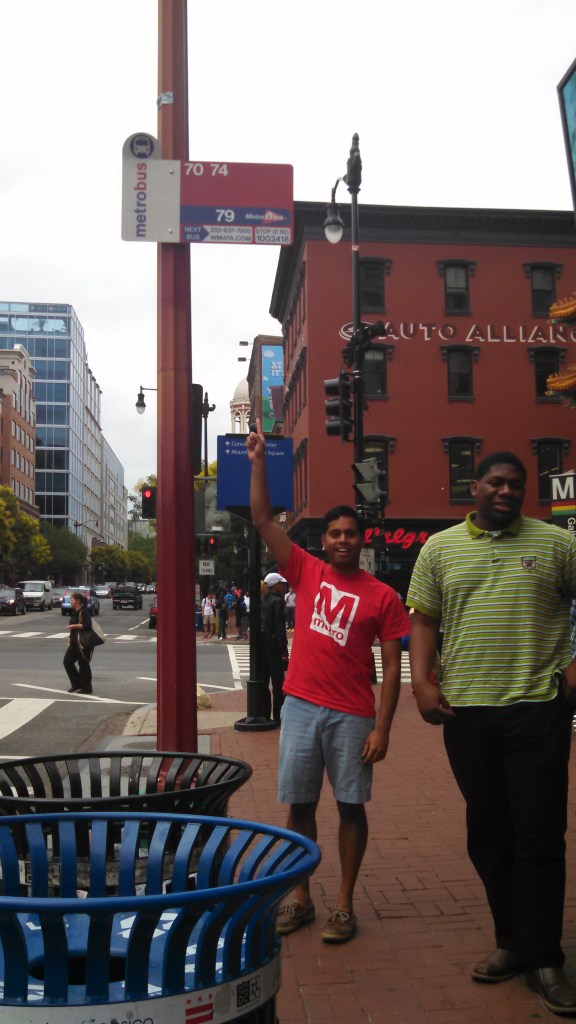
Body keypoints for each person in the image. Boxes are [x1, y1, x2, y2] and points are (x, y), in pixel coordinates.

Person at [407, 452, 576, 1017]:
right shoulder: (439, 548)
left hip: (538, 710)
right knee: (489, 832)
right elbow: (423, 620)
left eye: (516, 485)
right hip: (467, 713)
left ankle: (545, 958)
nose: (506, 491)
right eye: (496, 482)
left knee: (539, 833)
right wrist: (421, 684)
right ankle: (512, 942)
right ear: (474, 485)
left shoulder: (557, 543)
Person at [246, 419, 409, 944]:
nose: (342, 540)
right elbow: (262, 518)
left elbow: (391, 669)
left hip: (353, 715)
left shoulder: (383, 596)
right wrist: (258, 463)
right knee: (299, 806)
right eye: (335, 534)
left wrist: (383, 728)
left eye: (350, 534)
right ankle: (301, 898)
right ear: (325, 540)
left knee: (350, 807)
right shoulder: (306, 570)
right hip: (300, 706)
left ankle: (343, 904)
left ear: (362, 540)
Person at [261, 572, 289, 724]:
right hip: (274, 647)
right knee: (278, 684)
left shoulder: (260, 599)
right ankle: (278, 716)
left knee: (263, 682)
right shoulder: (278, 601)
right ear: (275, 585)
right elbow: (280, 628)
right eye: (281, 583)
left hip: (262, 647)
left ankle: (265, 714)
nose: (284, 586)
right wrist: (284, 652)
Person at [64, 591, 93, 694]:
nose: (70, 602)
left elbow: (88, 625)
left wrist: (75, 626)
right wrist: (70, 639)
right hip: (74, 642)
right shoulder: (74, 612)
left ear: (78, 601)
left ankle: (87, 687)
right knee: (67, 662)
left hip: (83, 643)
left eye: (72, 600)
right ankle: (76, 683)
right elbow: (73, 630)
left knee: (83, 665)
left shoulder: (84, 611)